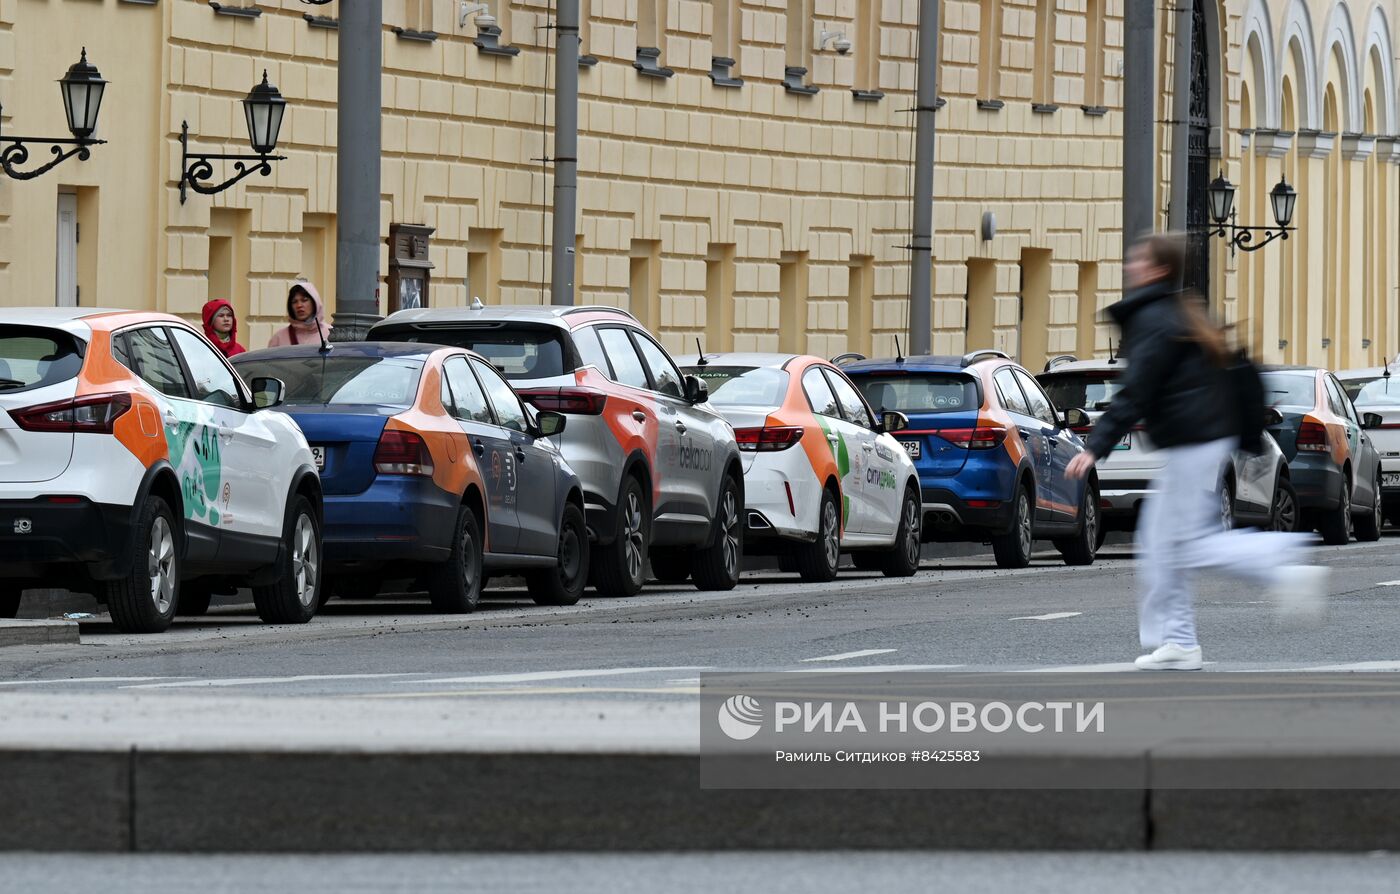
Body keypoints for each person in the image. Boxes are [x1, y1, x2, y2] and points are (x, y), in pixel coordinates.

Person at [1066, 233, 1327, 671]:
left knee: (1183, 545)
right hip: (1203, 437)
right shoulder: (1178, 311)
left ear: (1159, 269)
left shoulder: (1156, 317)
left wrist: (1095, 446)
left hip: (1196, 440)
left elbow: (1138, 389)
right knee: (1162, 541)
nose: (1131, 267)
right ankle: (1180, 641)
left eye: (1138, 260)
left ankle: (1282, 566)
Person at [268, 280, 332, 348]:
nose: (299, 305)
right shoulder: (279, 338)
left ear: (315, 302)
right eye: (294, 302)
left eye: (304, 300)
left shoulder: (331, 334)